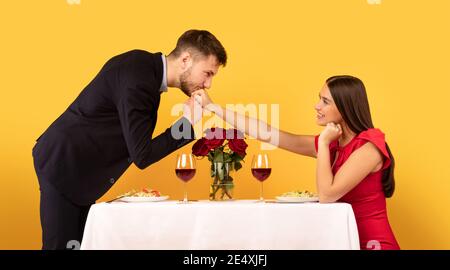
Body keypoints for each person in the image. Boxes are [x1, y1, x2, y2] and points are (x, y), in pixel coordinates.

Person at [32, 29, 227, 249]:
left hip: (81, 171)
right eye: (207, 73)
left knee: (79, 246)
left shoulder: (144, 69)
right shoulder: (140, 78)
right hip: (63, 164)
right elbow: (142, 155)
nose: (208, 84)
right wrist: (186, 124)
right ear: (185, 60)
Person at [195, 75, 400, 250]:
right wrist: (213, 107)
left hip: (372, 244)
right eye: (319, 99)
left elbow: (327, 195)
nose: (317, 106)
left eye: (325, 101)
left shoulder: (369, 146)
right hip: (343, 241)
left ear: (345, 108)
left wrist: (325, 142)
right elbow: (268, 134)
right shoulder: (332, 144)